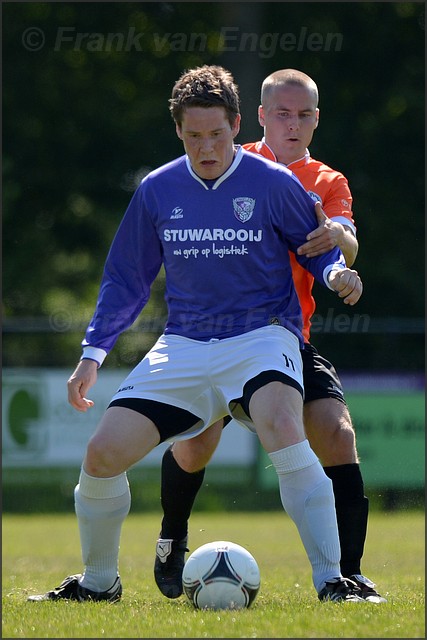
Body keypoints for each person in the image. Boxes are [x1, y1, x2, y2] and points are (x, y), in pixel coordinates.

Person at [27, 65, 365, 604]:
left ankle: (333, 582)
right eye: (193, 136)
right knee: (101, 454)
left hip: (261, 336)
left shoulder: (275, 183)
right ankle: (98, 583)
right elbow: (125, 279)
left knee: (283, 423)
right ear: (179, 132)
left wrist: (336, 274)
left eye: (216, 133)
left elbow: (320, 246)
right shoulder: (158, 190)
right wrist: (92, 354)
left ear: (236, 126)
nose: (206, 147)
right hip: (182, 345)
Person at [153, 69, 386, 604]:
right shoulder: (232, 162)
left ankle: (347, 576)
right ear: (259, 117)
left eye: (304, 115)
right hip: (215, 336)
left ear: (316, 119)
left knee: (336, 432)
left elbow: (344, 236)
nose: (293, 124)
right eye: (282, 113)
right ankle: (171, 539)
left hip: (284, 338)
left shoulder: (326, 181)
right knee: (195, 444)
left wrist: (341, 247)